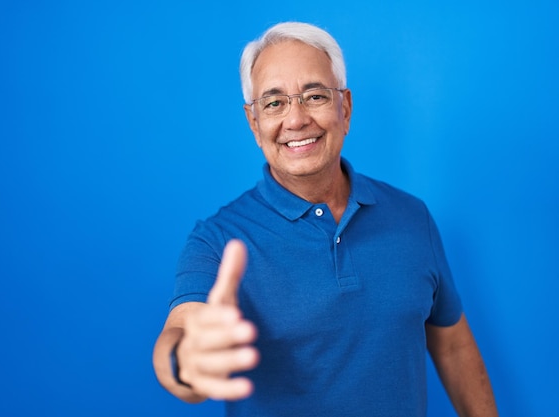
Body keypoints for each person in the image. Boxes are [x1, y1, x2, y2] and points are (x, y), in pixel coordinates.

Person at [153, 21, 498, 417]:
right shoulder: (216, 241)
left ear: (345, 108)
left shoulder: (411, 216)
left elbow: (452, 344)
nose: (296, 120)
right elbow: (180, 333)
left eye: (314, 96)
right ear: (254, 122)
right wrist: (187, 360)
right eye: (274, 103)